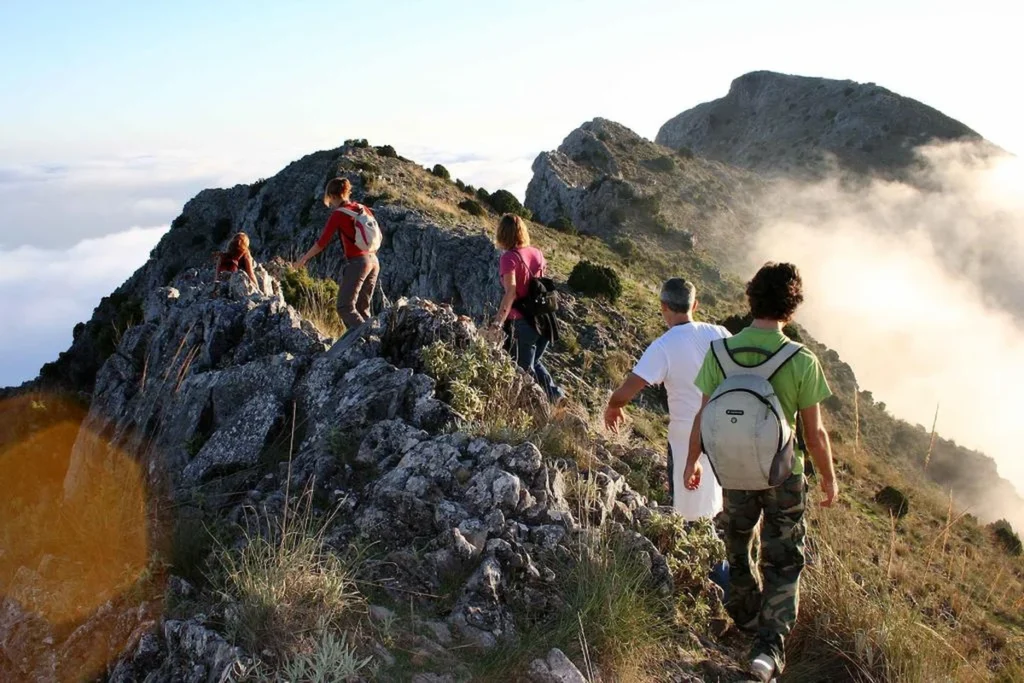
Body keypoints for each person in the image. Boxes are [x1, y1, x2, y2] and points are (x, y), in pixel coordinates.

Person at [684, 261, 838, 682]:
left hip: (732, 471)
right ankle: (767, 648)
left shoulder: (720, 352)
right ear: (792, 306)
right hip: (784, 476)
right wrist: (828, 478)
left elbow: (703, 416)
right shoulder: (801, 359)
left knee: (737, 544)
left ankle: (745, 616)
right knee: (784, 561)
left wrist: (692, 460)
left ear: (751, 297)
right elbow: (815, 432)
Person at [604, 278, 730, 520]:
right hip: (726, 429)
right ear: (695, 306)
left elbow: (625, 392)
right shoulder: (721, 333)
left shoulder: (663, 346)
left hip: (685, 436)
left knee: (687, 512)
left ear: (663, 306)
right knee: (720, 505)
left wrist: (613, 407)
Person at [490, 214, 564, 403]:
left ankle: (537, 410)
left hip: (523, 323)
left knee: (522, 371)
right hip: (545, 319)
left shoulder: (509, 258)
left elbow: (511, 293)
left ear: (503, 234)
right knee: (534, 363)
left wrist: (498, 323)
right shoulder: (537, 252)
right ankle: (556, 397)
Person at [292, 178, 380, 330]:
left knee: (345, 307)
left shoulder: (338, 214)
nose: (330, 204)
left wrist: (303, 259)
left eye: (329, 200)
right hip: (374, 261)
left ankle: (369, 340)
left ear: (332, 196)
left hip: (359, 262)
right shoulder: (362, 208)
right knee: (362, 309)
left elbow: (321, 243)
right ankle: (375, 340)